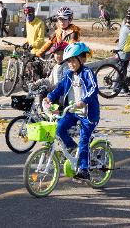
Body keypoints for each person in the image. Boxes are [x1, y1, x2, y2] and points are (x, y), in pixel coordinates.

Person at [43, 42, 99, 181]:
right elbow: (59, 88)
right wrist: (49, 98)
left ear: (82, 59)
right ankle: (73, 148)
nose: (71, 64)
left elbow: (93, 89)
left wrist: (84, 101)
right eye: (69, 61)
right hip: (73, 112)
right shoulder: (68, 75)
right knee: (59, 128)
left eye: (74, 60)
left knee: (84, 139)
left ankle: (84, 170)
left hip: (88, 114)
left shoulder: (87, 73)